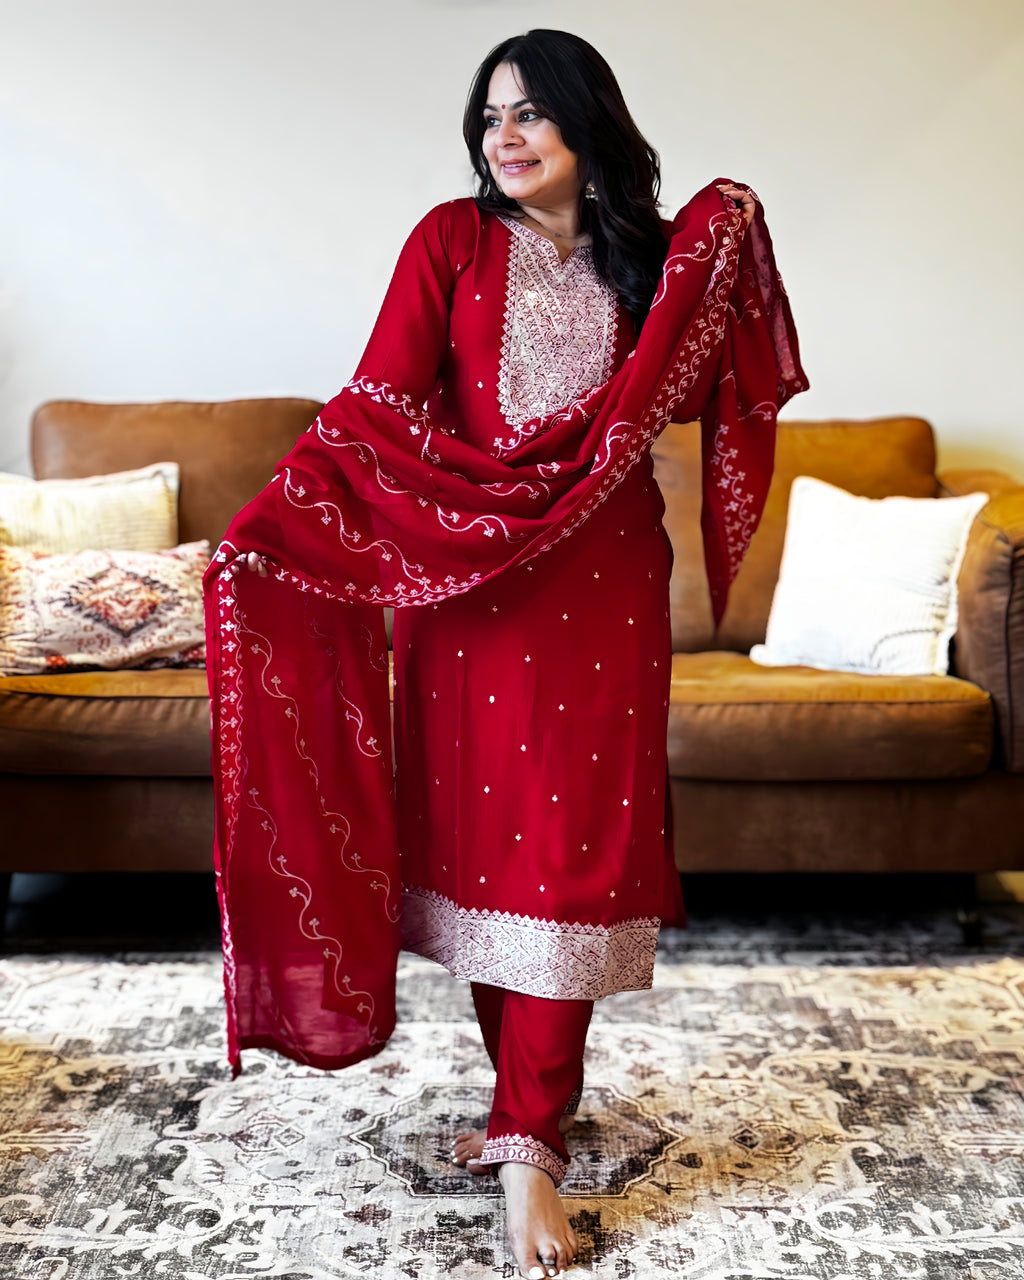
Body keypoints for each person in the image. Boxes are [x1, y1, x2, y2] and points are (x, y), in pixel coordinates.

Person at [205, 28, 806, 1280]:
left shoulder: (643, 263)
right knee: (490, 855)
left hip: (603, 586)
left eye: (532, 112)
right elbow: (376, 404)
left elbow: (694, 385)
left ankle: (527, 1135)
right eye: (490, 119)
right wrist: (274, 523)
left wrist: (726, 233)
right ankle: (527, 1098)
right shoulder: (449, 240)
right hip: (469, 588)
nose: (507, 137)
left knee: (571, 852)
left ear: (588, 123)